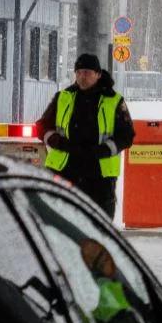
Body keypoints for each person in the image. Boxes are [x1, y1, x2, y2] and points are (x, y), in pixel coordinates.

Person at [36, 54, 135, 217]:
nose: (83, 76)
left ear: (98, 74)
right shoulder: (63, 97)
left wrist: (104, 150)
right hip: (65, 169)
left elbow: (127, 135)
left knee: (99, 223)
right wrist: (57, 141)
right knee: (59, 220)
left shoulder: (114, 101)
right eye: (79, 72)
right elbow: (41, 126)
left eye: (88, 72)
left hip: (99, 173)